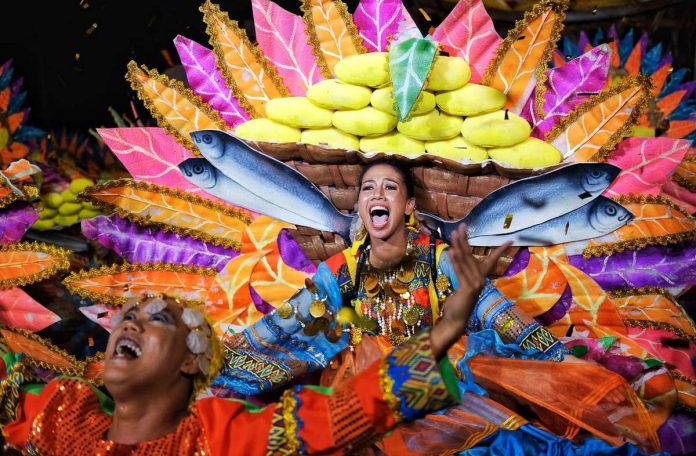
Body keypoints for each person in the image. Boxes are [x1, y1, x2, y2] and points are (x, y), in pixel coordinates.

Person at [0, 226, 503, 455]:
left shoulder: (220, 438)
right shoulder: (59, 414)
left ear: (191, 363)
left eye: (158, 319)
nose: (129, 322)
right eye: (126, 315)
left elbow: (339, 415)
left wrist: (445, 328)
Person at [215, 160, 564, 396]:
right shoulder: (342, 270)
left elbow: (500, 315)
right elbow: (286, 322)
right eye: (368, 189)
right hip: (366, 395)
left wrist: (560, 361)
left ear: (410, 205)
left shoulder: (439, 260)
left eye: (390, 188)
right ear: (360, 207)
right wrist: (215, 358)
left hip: (434, 391)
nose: (378, 195)